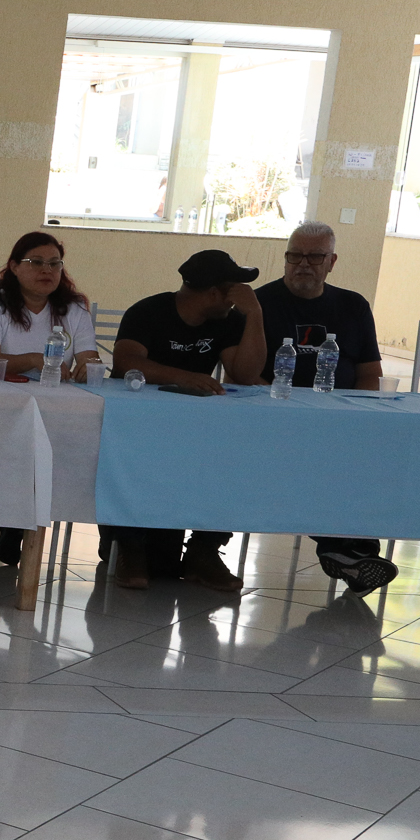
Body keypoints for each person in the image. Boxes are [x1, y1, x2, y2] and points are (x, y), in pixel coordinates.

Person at [106, 248, 268, 593]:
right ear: (214, 293)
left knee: (237, 458)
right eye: (234, 288)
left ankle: (204, 549)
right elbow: (126, 363)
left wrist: (254, 315)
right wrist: (182, 376)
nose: (239, 295)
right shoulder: (148, 311)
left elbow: (245, 374)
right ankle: (131, 548)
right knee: (136, 462)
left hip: (198, 428)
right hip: (140, 425)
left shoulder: (229, 319)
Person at [255, 221, 396, 594]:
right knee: (308, 464)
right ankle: (348, 553)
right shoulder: (259, 303)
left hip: (339, 419)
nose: (303, 264)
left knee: (368, 462)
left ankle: (352, 553)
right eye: (294, 255)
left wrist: (360, 416)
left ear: (331, 261)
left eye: (314, 256)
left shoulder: (353, 305)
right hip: (276, 418)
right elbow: (243, 373)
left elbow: (369, 373)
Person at [0, 231, 99, 567]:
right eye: (35, 262)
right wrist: (37, 359)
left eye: (54, 263)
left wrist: (88, 366)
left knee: (54, 455)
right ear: (14, 267)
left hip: (54, 404)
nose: (46, 270)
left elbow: (89, 355)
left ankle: (18, 528)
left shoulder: (73, 307)